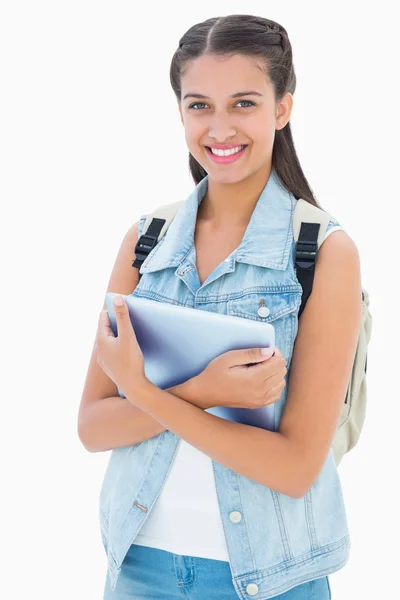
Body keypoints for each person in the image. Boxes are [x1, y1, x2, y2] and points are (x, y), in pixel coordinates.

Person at [78, 13, 362, 600]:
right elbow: (93, 427)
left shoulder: (322, 254)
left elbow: (294, 467)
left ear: (282, 109)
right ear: (180, 111)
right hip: (137, 571)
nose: (220, 127)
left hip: (274, 580)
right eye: (200, 105)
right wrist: (202, 392)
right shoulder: (147, 240)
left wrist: (150, 393)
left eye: (244, 103)